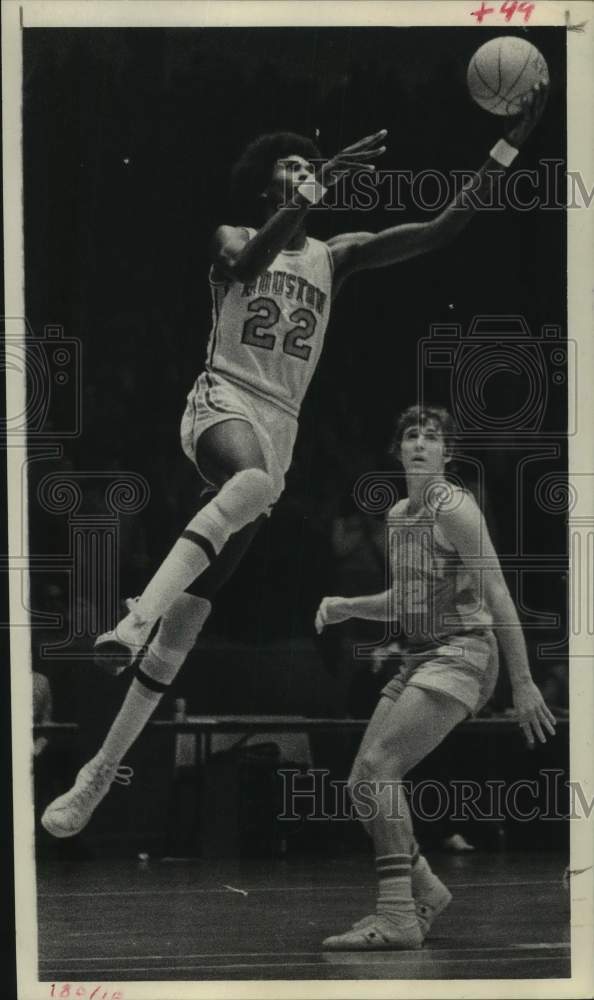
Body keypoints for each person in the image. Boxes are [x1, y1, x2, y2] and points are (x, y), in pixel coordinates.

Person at [42, 84, 547, 840]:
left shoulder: (335, 258)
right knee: (241, 491)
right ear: (265, 179)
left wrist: (513, 141)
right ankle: (133, 614)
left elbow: (446, 225)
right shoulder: (231, 233)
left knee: (191, 621)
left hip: (281, 427)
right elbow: (248, 263)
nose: (301, 168)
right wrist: (313, 184)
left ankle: (97, 774)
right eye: (290, 163)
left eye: (308, 164)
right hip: (222, 402)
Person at [314, 404, 557, 951]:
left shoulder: (456, 507)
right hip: (421, 655)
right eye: (411, 436)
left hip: (466, 652)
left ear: (448, 453)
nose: (421, 443)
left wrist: (522, 681)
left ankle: (398, 915)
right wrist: (347, 605)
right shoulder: (400, 515)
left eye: (432, 437)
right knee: (360, 787)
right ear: (397, 450)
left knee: (380, 768)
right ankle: (424, 888)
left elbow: (497, 594)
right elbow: (407, 601)